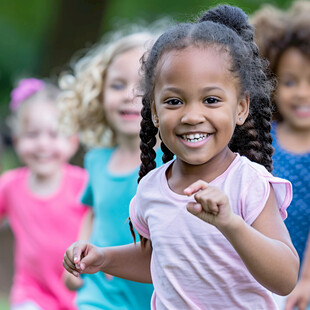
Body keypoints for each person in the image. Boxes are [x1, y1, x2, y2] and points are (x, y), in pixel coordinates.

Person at [63, 5, 300, 309]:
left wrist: (230, 223)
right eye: (174, 101)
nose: (191, 116)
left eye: (211, 100)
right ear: (154, 113)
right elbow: (159, 259)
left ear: (241, 108)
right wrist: (104, 258)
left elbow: (284, 276)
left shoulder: (248, 182)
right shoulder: (152, 188)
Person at [58, 24, 166, 309]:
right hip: (99, 296)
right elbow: (94, 213)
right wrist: (78, 256)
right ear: (98, 92)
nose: (129, 95)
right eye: (117, 84)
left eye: (143, 87)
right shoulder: (97, 159)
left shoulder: (172, 164)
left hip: (153, 296)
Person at [0, 78, 88, 310]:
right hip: (31, 292)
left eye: (53, 135)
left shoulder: (83, 183)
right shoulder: (10, 185)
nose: (42, 144)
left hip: (80, 290)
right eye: (32, 135)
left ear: (72, 142)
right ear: (17, 141)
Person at [251, 2, 310, 309]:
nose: (303, 93)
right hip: (257, 268)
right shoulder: (261, 135)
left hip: (302, 280)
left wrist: (307, 280)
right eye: (290, 82)